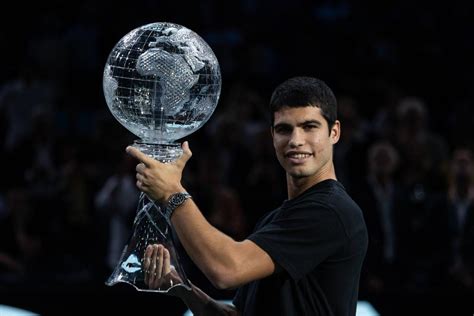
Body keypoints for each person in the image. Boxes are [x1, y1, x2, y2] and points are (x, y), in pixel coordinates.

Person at [126, 76, 368, 315]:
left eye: (309, 127)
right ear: (273, 136)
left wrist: (172, 193)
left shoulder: (331, 211)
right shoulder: (276, 219)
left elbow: (226, 270)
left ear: (334, 132)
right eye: (284, 129)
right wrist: (181, 287)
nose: (296, 140)